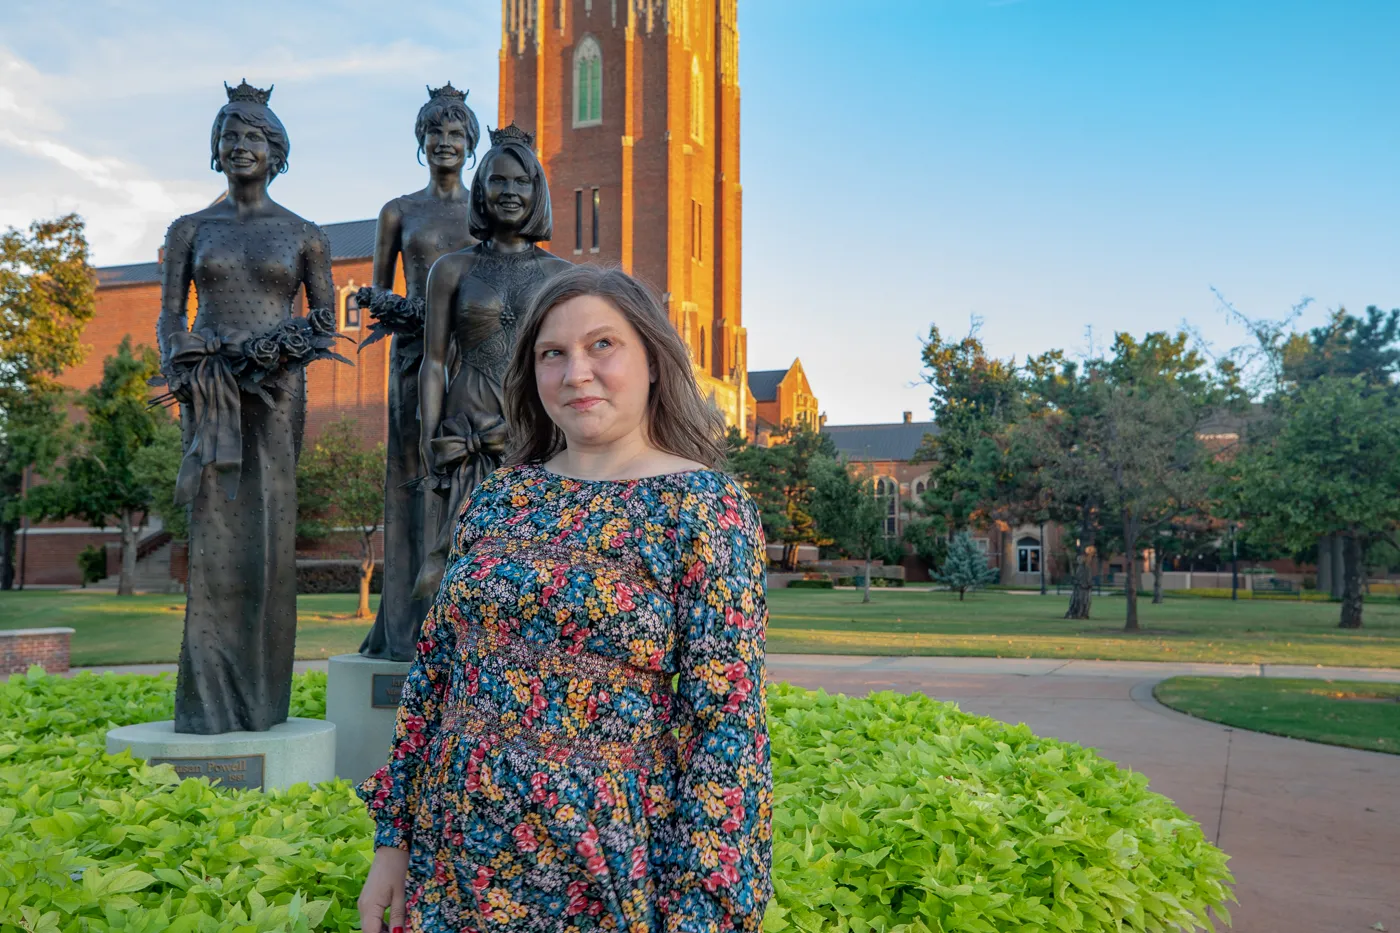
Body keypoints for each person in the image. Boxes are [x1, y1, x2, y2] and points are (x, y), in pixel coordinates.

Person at [356, 265, 774, 932]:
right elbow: (433, 679)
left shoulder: (703, 508)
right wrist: (393, 844)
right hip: (454, 862)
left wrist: (704, 913)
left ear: (654, 361)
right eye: (553, 353)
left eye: (602, 345)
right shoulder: (501, 497)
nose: (577, 371)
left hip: (601, 872)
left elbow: (726, 728)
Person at [156, 80, 339, 734]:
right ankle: (207, 702)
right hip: (211, 394)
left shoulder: (304, 234)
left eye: (253, 137)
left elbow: (324, 321)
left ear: (275, 150)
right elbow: (170, 314)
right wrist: (183, 357)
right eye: (229, 136)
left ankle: (262, 699)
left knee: (268, 533)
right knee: (214, 536)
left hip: (277, 395)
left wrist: (275, 351)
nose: (240, 146)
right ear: (217, 148)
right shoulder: (189, 230)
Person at [411, 123, 571, 599]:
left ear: (537, 191)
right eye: (498, 180)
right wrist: (429, 433)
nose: (509, 192)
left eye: (521, 182)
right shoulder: (451, 269)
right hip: (467, 422)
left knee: (534, 564)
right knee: (462, 565)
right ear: (480, 189)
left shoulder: (563, 275)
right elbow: (434, 360)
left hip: (536, 425)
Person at [357, 83, 481, 661]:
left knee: (472, 478)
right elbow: (376, 296)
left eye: (456, 134)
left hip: (475, 364)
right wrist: (408, 313)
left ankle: (466, 623)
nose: (445, 142)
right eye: (435, 132)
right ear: (421, 140)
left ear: (470, 143)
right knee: (413, 478)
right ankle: (405, 626)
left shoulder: (484, 212)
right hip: (412, 361)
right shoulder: (398, 212)